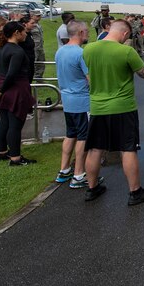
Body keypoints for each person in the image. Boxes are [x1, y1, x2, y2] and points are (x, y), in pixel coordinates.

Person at [82, 20, 144, 206]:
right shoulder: (126, 51)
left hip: (98, 106)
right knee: (128, 148)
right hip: (123, 107)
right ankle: (135, 191)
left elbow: (89, 75)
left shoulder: (89, 49)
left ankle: (91, 188)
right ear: (124, 34)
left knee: (95, 148)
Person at [0, 21, 36, 166]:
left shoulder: (0, 49)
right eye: (23, 32)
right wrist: (2, 90)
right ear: (16, 33)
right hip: (16, 88)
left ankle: (2, 152)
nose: (26, 34)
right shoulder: (17, 51)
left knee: (4, 121)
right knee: (15, 123)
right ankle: (15, 157)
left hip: (2, 87)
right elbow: (12, 74)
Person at [54, 20, 91, 189]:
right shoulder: (80, 53)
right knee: (83, 137)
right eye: (87, 31)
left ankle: (64, 169)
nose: (88, 34)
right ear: (81, 32)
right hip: (81, 100)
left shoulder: (60, 52)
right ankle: (79, 173)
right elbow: (90, 78)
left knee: (70, 134)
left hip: (67, 98)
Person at [28, 12, 45, 80]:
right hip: (34, 47)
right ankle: (32, 78)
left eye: (40, 16)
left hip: (40, 46)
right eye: (37, 16)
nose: (39, 17)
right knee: (33, 63)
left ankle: (39, 78)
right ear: (32, 16)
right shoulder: (30, 24)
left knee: (41, 63)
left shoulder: (38, 25)